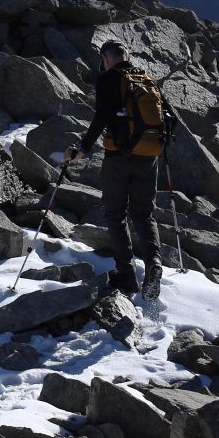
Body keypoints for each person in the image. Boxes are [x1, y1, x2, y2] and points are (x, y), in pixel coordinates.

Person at [78, 39, 164, 299]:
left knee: (116, 215)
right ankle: (154, 263)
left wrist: (84, 147)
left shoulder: (108, 79)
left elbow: (101, 115)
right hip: (149, 157)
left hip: (119, 157)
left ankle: (126, 276)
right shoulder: (146, 79)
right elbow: (167, 117)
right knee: (144, 214)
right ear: (126, 56)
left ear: (106, 58)